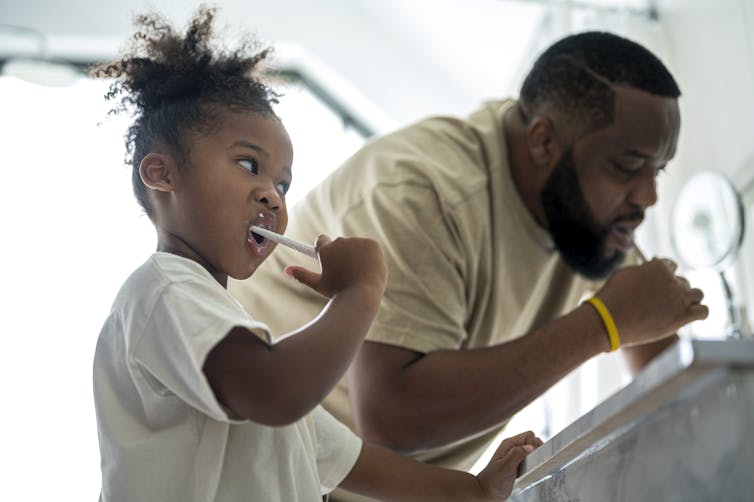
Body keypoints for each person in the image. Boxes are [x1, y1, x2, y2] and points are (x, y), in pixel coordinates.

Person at [228, 30, 709, 501]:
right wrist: (604, 324)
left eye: (658, 170)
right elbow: (391, 416)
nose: (648, 196)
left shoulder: (585, 212)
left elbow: (662, 368)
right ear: (543, 141)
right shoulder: (423, 191)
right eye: (628, 167)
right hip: (249, 475)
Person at [92, 7, 541, 502]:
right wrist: (357, 295)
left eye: (282, 183)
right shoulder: (165, 291)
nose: (273, 196)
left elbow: (355, 462)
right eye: (248, 164)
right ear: (161, 174)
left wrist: (474, 491)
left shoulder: (237, 333)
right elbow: (276, 391)